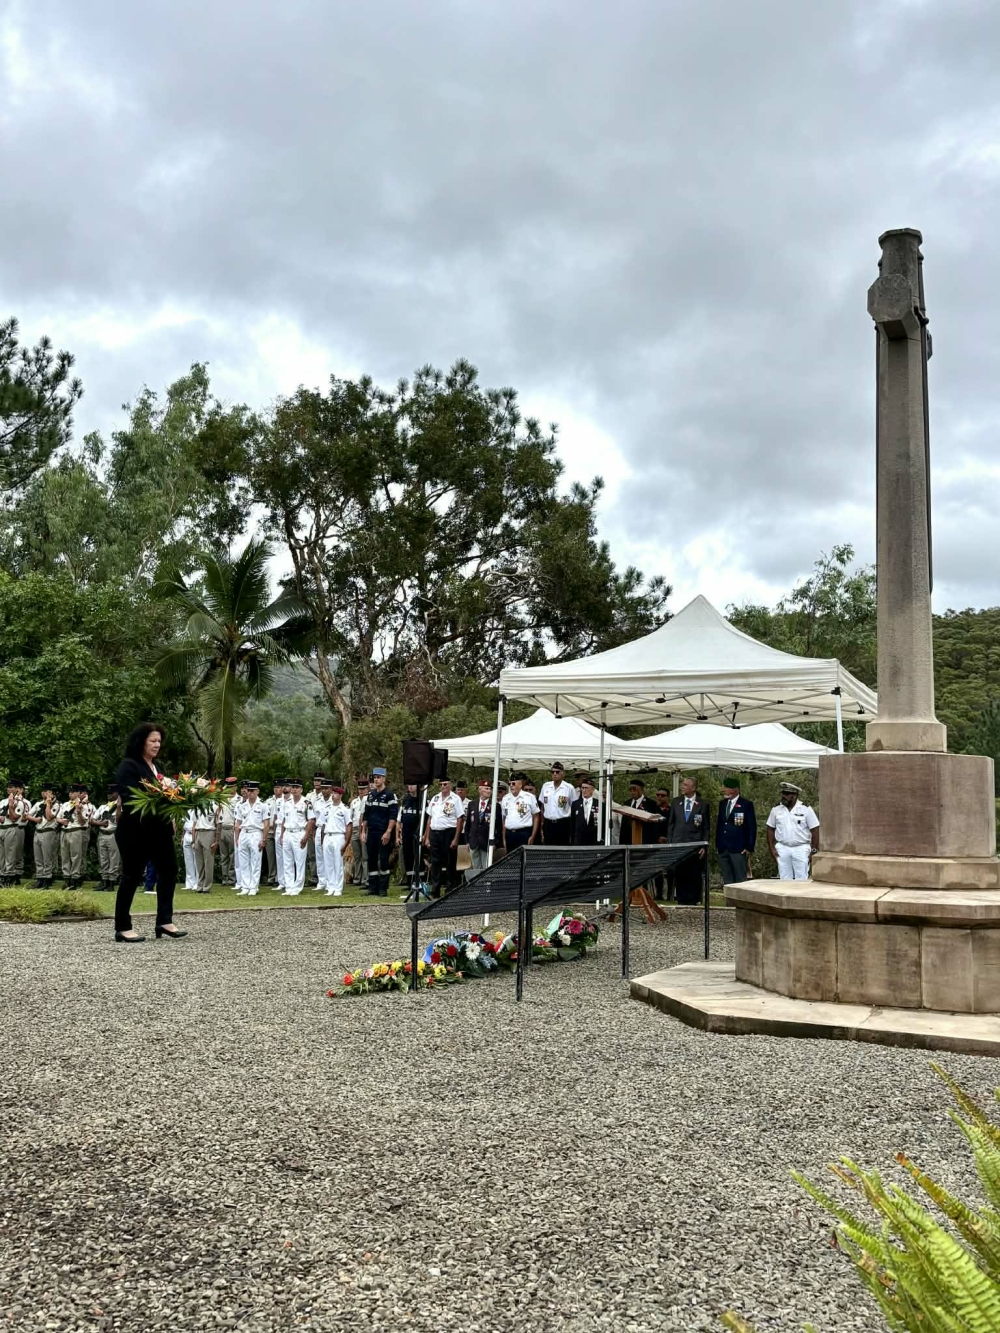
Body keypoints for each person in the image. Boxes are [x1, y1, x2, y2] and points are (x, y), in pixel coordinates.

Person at [112, 722, 185, 942]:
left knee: (169, 870)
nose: (157, 745)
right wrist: (159, 796)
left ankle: (164, 921)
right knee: (132, 875)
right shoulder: (129, 766)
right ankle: (122, 927)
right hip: (135, 830)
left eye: (159, 741)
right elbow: (130, 796)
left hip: (159, 829)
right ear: (141, 741)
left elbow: (166, 794)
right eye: (153, 740)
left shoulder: (158, 767)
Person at [666, 776, 711, 905]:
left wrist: (704, 844)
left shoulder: (703, 804)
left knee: (694, 873)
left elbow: (706, 827)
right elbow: (671, 824)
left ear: (693, 788)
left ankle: (694, 899)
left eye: (685, 784)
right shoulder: (676, 802)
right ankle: (681, 899)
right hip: (678, 843)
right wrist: (670, 843)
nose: (682, 786)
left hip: (695, 844)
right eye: (682, 784)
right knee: (680, 873)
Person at [766, 781, 820, 881]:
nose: (783, 796)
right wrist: (772, 848)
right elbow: (770, 829)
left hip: (801, 848)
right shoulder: (776, 809)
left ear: (795, 795)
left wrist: (814, 850)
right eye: (783, 793)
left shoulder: (805, 809)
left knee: (801, 879)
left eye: (787, 794)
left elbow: (815, 830)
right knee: (784, 879)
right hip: (782, 847)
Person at [424, 778, 465, 898]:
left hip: (449, 832)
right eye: (441, 784)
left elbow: (460, 819)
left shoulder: (455, 799)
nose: (443, 786)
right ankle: (435, 890)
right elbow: (429, 818)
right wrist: (427, 837)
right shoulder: (435, 798)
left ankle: (449, 889)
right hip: (435, 832)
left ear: (450, 785)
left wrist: (456, 838)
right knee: (435, 862)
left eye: (445, 784)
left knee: (449, 862)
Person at [362, 768, 398, 897]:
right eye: (374, 778)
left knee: (383, 860)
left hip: (383, 832)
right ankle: (373, 887)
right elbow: (366, 815)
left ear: (384, 779)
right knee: (371, 859)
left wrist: (388, 832)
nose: (376, 780)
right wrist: (363, 831)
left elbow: (393, 816)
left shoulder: (389, 795)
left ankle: (383, 888)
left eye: (378, 777)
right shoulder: (371, 795)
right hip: (371, 832)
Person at [715, 776, 757, 885]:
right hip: (723, 847)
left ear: (735, 789)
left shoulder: (746, 804)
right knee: (727, 879)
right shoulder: (722, 804)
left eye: (726, 787)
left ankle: (740, 902)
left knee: (740, 879)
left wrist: (749, 847)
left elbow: (752, 827)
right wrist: (717, 844)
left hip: (738, 848)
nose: (724, 789)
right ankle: (729, 902)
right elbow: (720, 824)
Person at [234, 781, 270, 896]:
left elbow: (266, 824)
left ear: (257, 791)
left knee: (255, 861)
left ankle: (253, 886)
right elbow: (237, 823)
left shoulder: (263, 805)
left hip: (255, 833)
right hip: (244, 833)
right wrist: (237, 838)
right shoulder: (242, 805)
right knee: (243, 862)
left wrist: (263, 839)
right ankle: (245, 886)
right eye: (248, 790)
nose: (249, 793)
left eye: (252, 791)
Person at [279, 778, 313, 896]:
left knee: (299, 861)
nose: (294, 790)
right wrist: (282, 835)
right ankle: (289, 887)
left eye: (297, 787)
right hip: (288, 832)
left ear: (301, 789)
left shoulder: (306, 803)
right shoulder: (287, 803)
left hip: (299, 832)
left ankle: (297, 887)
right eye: (293, 787)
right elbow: (283, 820)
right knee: (287, 861)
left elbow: (311, 820)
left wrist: (306, 836)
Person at [59, 783, 95, 890]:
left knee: (76, 856)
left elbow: (83, 821)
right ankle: (67, 878)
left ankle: (75, 878)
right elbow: (58, 818)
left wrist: (78, 811)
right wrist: (61, 820)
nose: (71, 794)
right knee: (65, 855)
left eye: (73, 792)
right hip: (65, 831)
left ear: (78, 793)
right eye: (70, 792)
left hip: (76, 830)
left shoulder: (84, 805)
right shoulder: (65, 804)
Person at [320, 783, 352, 896]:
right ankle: (330, 886)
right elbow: (323, 825)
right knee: (328, 863)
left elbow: (349, 826)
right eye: (333, 793)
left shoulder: (344, 809)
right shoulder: (327, 808)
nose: (333, 795)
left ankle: (338, 887)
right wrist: (322, 839)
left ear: (341, 795)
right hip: (328, 836)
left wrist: (346, 842)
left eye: (336, 793)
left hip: (338, 836)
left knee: (337, 863)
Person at [27, 782, 60, 889]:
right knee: (38, 857)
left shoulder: (57, 804)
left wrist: (48, 804)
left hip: (48, 831)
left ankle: (48, 879)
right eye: (43, 791)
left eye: (47, 791)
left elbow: (49, 817)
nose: (44, 793)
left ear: (53, 793)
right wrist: (35, 819)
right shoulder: (38, 804)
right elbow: (26, 816)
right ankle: (40, 879)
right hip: (38, 831)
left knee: (47, 857)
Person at [464, 777, 499, 878]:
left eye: (490, 789)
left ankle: (486, 888)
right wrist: (467, 841)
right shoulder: (472, 804)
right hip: (474, 842)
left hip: (486, 842)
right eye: (486, 788)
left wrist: (496, 842)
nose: (489, 791)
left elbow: (499, 827)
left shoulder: (495, 806)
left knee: (486, 869)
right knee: (476, 869)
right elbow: (468, 825)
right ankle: (477, 888)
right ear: (480, 790)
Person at [91, 783, 122, 892]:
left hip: (113, 834)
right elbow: (92, 820)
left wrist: (118, 806)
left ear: (117, 793)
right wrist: (100, 823)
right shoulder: (103, 807)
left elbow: (119, 820)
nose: (109, 795)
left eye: (112, 793)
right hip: (102, 834)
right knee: (103, 858)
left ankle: (112, 882)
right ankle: (104, 881)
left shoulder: (120, 807)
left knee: (114, 859)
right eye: (108, 793)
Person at [0, 777, 30, 886]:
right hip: (1, 828)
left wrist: (11, 806)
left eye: (11, 787)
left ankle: (10, 877)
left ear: (17, 789)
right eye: (8, 787)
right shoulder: (3, 801)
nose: (8, 789)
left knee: (11, 854)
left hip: (11, 828)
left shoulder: (21, 803)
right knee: (1, 855)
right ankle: (2, 876)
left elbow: (14, 818)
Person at [501, 773, 540, 853]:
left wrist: (533, 836)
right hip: (509, 834)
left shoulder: (529, 797)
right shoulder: (506, 798)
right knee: (511, 861)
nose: (511, 785)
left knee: (523, 860)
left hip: (524, 833)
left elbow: (536, 817)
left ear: (520, 784)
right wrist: (504, 838)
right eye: (510, 784)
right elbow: (504, 819)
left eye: (513, 783)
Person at [539, 762, 575, 844]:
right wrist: (542, 823)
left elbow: (574, 807)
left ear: (563, 773)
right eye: (553, 772)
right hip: (548, 823)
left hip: (563, 823)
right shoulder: (546, 786)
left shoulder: (569, 788)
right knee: (548, 848)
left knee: (562, 849)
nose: (555, 774)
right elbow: (542, 806)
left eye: (557, 772)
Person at [618, 779, 661, 845]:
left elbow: (655, 825)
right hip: (628, 841)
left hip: (645, 840)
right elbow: (624, 825)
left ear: (641, 790)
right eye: (630, 789)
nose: (632, 792)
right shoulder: (627, 803)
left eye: (634, 789)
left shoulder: (651, 804)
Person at [396, 782, 421, 890]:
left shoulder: (423, 801)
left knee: (418, 858)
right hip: (406, 834)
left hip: (418, 835)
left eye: (413, 784)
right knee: (408, 858)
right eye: (409, 784)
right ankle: (409, 882)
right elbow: (399, 820)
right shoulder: (405, 800)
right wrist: (397, 836)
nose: (410, 786)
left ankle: (419, 881)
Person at [190, 799, 218, 893]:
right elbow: (194, 824)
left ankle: (207, 886)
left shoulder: (214, 805)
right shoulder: (197, 805)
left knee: (208, 861)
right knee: (199, 862)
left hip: (209, 831)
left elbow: (218, 824)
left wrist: (216, 840)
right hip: (198, 831)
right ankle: (200, 885)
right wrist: (193, 840)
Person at [216, 778, 238, 887]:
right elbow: (219, 813)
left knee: (232, 855)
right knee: (223, 855)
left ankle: (231, 878)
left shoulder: (239, 799)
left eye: (231, 787)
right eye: (228, 787)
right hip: (222, 828)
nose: (229, 789)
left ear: (235, 787)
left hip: (232, 828)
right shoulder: (223, 799)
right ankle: (224, 878)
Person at [305, 772, 325, 887]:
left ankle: (323, 878)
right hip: (310, 827)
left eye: (319, 780)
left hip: (320, 827)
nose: (317, 782)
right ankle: (313, 877)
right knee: (312, 855)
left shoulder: (326, 796)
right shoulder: (309, 796)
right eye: (315, 780)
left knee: (323, 854)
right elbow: (305, 812)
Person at [571, 776, 602, 846]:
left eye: (586, 788)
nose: (584, 790)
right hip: (579, 840)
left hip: (594, 840)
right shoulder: (575, 804)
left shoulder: (599, 804)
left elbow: (602, 823)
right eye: (583, 788)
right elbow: (572, 823)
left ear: (592, 789)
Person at [350, 778, 369, 888]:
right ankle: (357, 878)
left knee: (365, 856)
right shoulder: (354, 802)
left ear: (367, 789)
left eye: (363, 789)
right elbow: (351, 817)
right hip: (355, 828)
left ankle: (365, 879)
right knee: (357, 855)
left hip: (364, 828)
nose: (361, 791)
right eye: (360, 789)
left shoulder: (368, 799)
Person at [181, 809, 199, 890]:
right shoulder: (186, 809)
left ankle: (198, 882)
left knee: (197, 861)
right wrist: (182, 836)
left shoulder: (198, 809)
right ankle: (189, 883)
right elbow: (184, 824)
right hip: (187, 834)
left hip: (195, 834)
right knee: (188, 861)